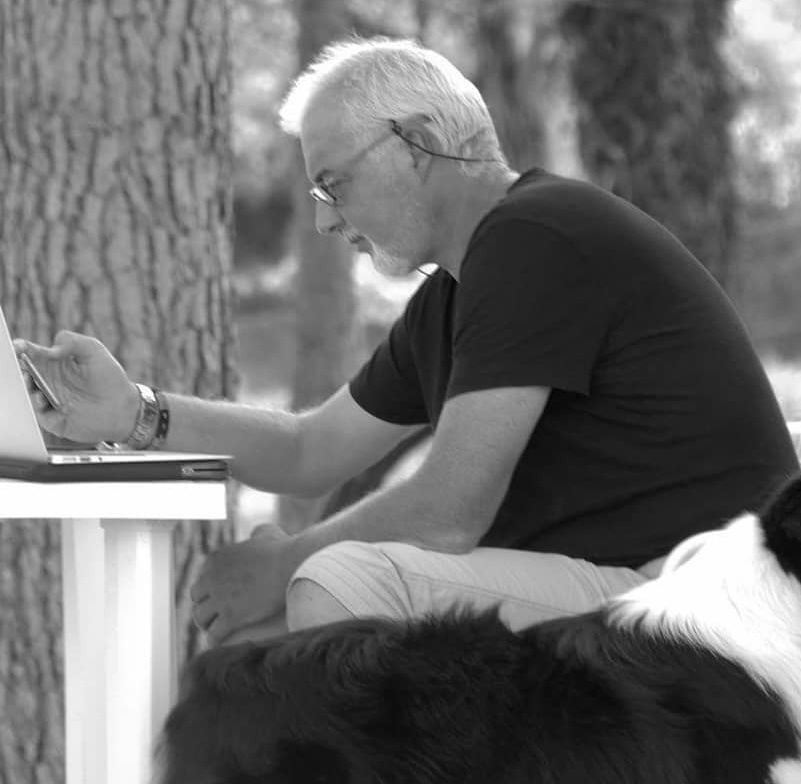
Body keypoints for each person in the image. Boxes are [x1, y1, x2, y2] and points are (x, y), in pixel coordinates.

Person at [15, 37, 798, 647]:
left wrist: (283, 561)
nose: (323, 219)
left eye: (333, 184)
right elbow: (308, 448)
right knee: (259, 633)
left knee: (334, 583)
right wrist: (133, 412)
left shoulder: (534, 239)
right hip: (651, 591)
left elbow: (449, 510)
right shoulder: (462, 285)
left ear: (417, 144)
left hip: (708, 600)